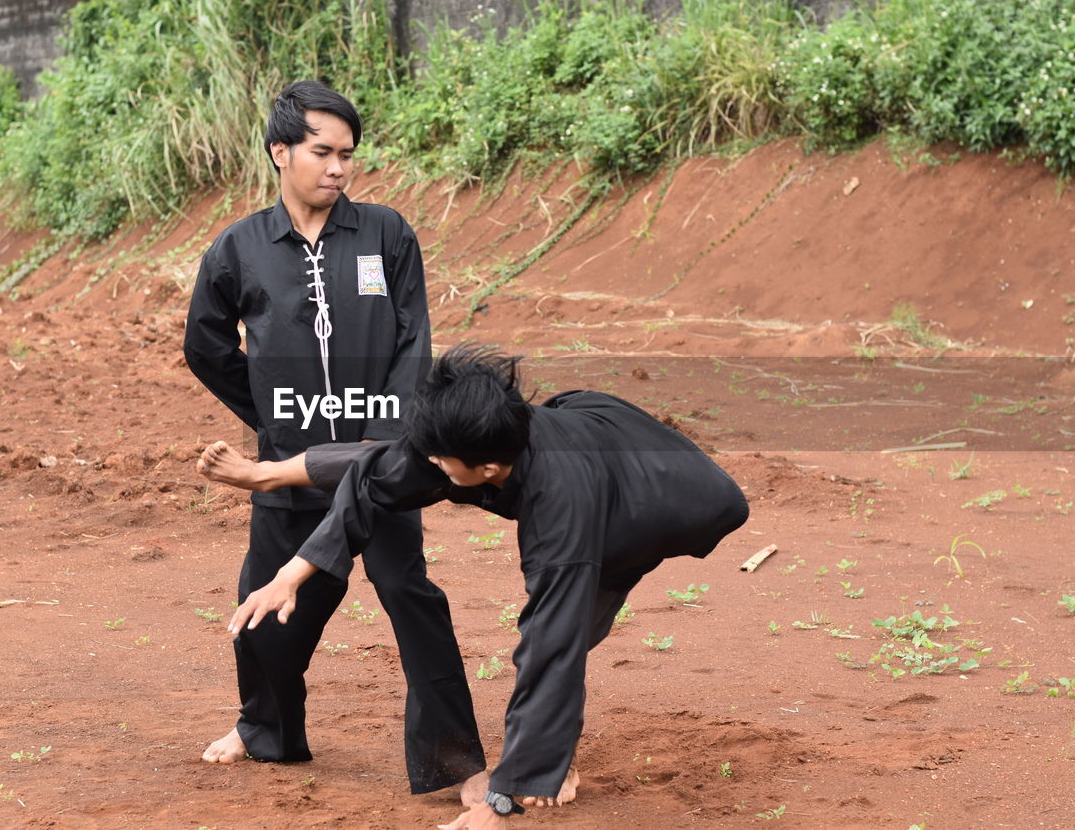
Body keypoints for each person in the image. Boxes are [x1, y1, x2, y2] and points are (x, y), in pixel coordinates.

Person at [196, 345, 751, 829]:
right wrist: (293, 571)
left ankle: (544, 760)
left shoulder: (562, 517)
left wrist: (500, 799)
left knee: (563, 629)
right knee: (415, 462)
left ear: (487, 468)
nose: (432, 463)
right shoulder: (476, 437)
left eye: (445, 459)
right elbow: (385, 470)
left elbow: (550, 649)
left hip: (668, 505)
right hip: (591, 425)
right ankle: (546, 754)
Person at [182, 80, 486, 801]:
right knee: (266, 609)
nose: (339, 167)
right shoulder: (239, 248)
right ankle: (267, 730)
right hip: (289, 465)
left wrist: (390, 438)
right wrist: (269, 414)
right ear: (280, 151)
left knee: (411, 595)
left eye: (347, 154)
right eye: (322, 151)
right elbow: (206, 342)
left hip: (381, 461)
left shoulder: (386, 233)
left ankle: (458, 762)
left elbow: (414, 340)